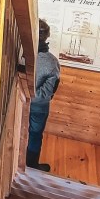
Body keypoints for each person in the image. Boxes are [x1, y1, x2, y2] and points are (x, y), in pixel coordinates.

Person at [27, 19, 60, 172]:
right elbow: (47, 93)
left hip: (19, 101)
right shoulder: (52, 62)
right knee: (35, 135)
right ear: (46, 36)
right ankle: (31, 166)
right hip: (39, 106)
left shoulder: (19, 54)